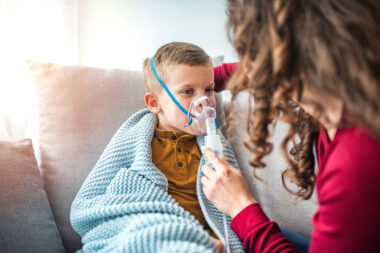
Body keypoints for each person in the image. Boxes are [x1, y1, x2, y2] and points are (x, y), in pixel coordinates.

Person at [202, 0, 380, 252]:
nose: (250, 66)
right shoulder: (346, 98)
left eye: (253, 52)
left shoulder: (357, 159)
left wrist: (240, 205)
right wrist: (204, 82)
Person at [70, 42, 245, 252]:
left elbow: (234, 205)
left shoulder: (216, 148)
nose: (204, 101)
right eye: (188, 91)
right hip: (146, 230)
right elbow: (87, 202)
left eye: (208, 90)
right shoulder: (133, 138)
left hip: (200, 237)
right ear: (154, 103)